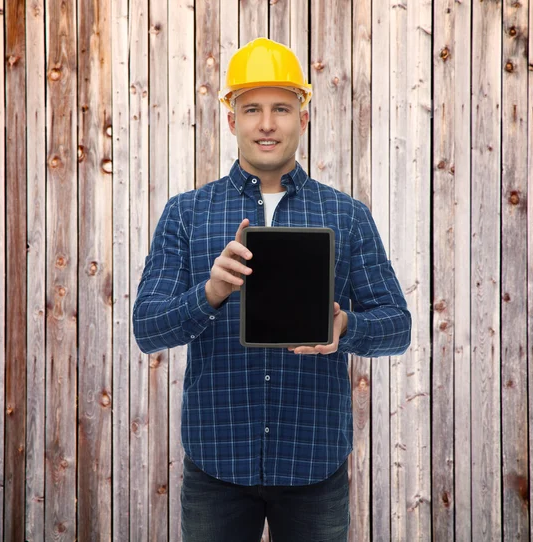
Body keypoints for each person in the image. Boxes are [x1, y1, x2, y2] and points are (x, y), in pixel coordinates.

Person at [133, 37, 411, 542]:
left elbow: (397, 327)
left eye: (281, 108)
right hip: (216, 465)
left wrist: (346, 327)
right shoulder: (186, 214)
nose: (266, 123)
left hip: (313, 467)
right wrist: (210, 292)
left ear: (303, 117)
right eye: (252, 108)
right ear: (230, 119)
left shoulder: (346, 216)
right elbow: (147, 328)